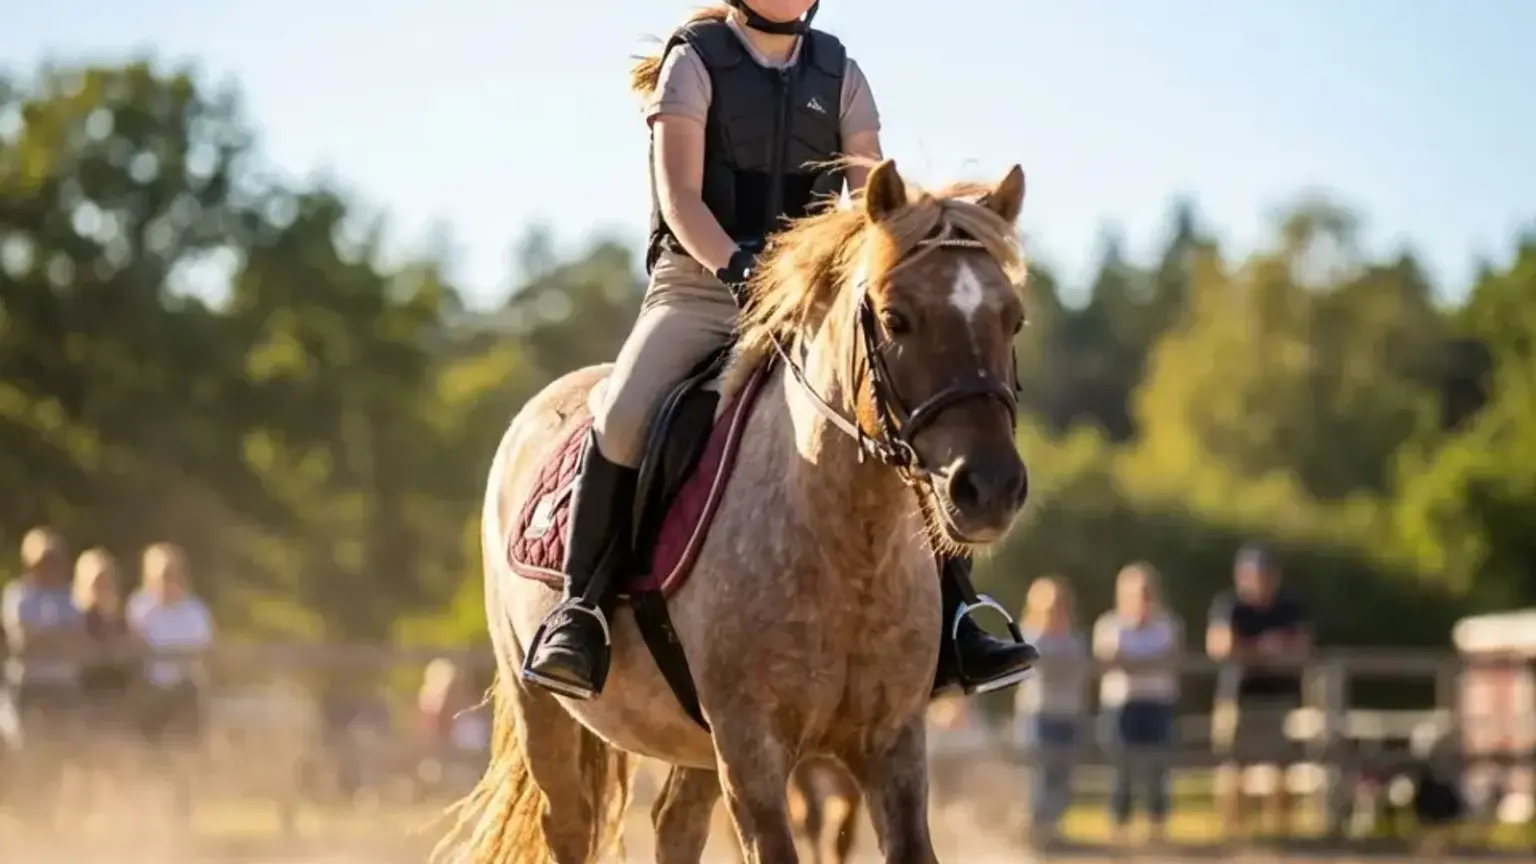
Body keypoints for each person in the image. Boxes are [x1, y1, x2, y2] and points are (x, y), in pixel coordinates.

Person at [521, 0, 1036, 700]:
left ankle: (956, 617)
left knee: (898, 418)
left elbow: (869, 204)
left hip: (807, 299)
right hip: (700, 288)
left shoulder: (840, 70)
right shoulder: (694, 62)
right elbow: (679, 197)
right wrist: (738, 267)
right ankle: (580, 614)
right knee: (623, 415)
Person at [1206, 544, 1312, 837]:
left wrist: (1253, 649)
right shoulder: (1230, 605)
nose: (1260, 580)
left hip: (1280, 697)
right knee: (1232, 767)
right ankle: (1233, 831)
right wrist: (1265, 649)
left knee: (1283, 768)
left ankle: (1280, 831)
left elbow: (1302, 646)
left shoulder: (1289, 607)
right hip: (1238, 697)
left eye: (1266, 574)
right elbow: (1221, 646)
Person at [1093, 562, 1182, 843]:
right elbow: (1108, 661)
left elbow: (1171, 660)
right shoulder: (1110, 624)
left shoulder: (1168, 624)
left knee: (1158, 767)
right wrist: (1148, 662)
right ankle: (1120, 824)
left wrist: (1132, 662)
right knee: (1122, 768)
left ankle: (1157, 824)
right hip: (1123, 705)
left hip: (1157, 703)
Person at [1014, 576, 1087, 848]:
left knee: (1063, 775)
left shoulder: (1073, 638)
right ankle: (1035, 829)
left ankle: (1053, 829)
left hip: (1067, 712)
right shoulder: (1029, 636)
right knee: (1039, 776)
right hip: (1039, 712)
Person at [127, 542, 214, 747]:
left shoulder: (195, 611)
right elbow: (132, 647)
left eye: (171, 574)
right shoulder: (139, 608)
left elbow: (205, 651)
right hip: (150, 689)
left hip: (184, 688)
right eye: (161, 575)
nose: (166, 581)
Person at [2, 527, 86, 732]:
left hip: (62, 681)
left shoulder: (68, 597)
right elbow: (21, 640)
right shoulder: (17, 595)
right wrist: (57, 637)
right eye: (43, 560)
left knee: (67, 742)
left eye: (53, 559)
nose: (49, 566)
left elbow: (77, 638)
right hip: (27, 682)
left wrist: (44, 637)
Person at [72, 547, 140, 733]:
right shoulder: (78, 617)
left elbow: (130, 652)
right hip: (87, 692)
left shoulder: (121, 618)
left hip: (118, 692)